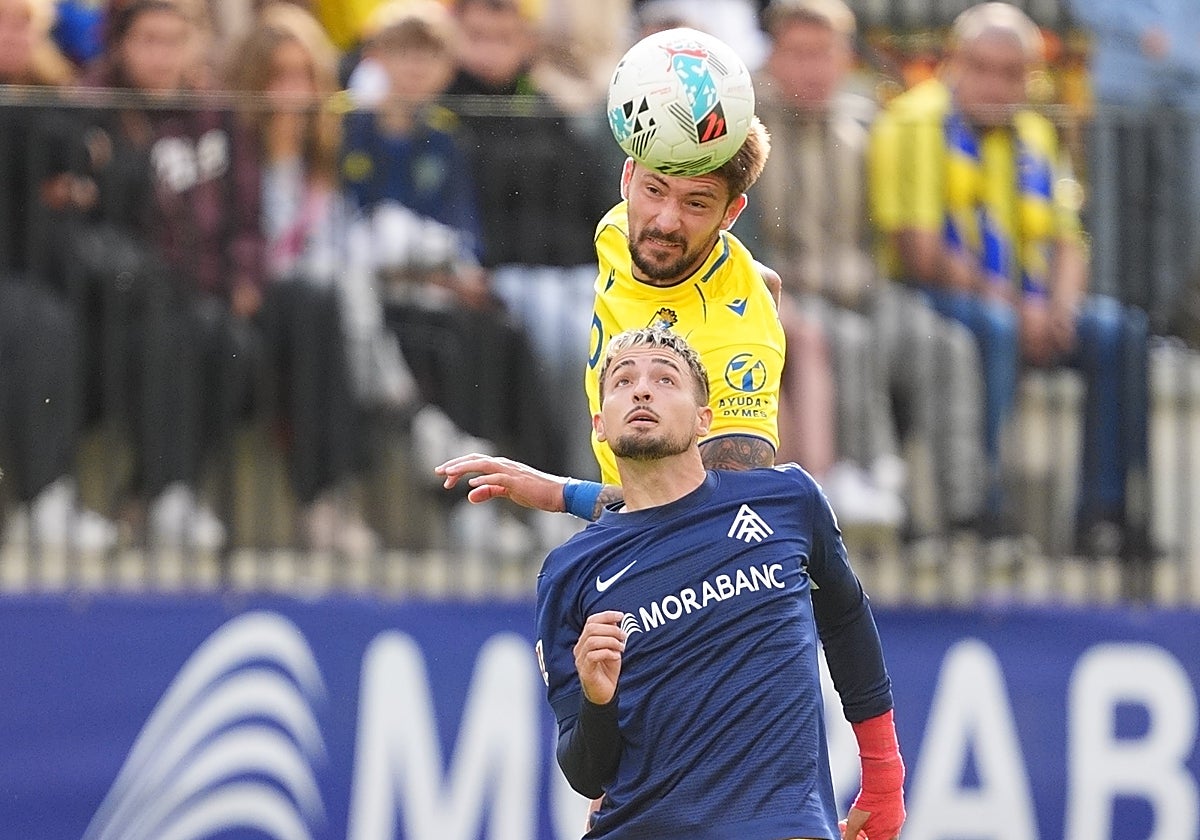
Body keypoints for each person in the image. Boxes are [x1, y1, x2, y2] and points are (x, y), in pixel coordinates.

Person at [536, 327, 906, 839]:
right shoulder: (568, 570)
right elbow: (585, 772)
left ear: (703, 419)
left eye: (665, 379)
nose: (642, 389)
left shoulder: (788, 499)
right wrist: (598, 701)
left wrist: (884, 775)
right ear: (600, 424)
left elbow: (846, 620)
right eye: (623, 381)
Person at [868, 1, 1152, 555]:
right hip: (931, 296)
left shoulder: (1037, 134)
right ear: (953, 62)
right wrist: (1021, 307)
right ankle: (979, 508)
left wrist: (1061, 308)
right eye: (983, 67)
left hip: (1031, 303)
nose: (997, 84)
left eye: (1013, 71)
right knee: (995, 327)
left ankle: (1104, 516)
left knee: (1121, 331)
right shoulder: (913, 120)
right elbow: (921, 251)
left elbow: (1071, 239)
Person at [750, 0, 987, 536]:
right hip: (791, 291)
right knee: (849, 342)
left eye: (823, 54)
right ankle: (869, 483)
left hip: (866, 289)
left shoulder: (863, 125)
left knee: (947, 345)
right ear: (773, 57)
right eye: (798, 54)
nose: (812, 68)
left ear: (842, 59)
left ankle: (965, 513)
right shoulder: (748, 130)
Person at [225, 1, 382, 555]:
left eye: (302, 76)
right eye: (277, 77)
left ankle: (331, 496)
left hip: (319, 307)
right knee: (313, 301)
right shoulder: (230, 152)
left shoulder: (330, 157)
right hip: (249, 305)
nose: (291, 91)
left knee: (325, 302)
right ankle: (323, 496)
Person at [0, 0, 117, 551]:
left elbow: (80, 153)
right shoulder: (38, 106)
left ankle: (49, 498)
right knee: (39, 322)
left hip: (27, 275)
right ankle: (43, 494)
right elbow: (57, 146)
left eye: (24, 22)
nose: (17, 34)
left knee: (70, 311)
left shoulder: (47, 91)